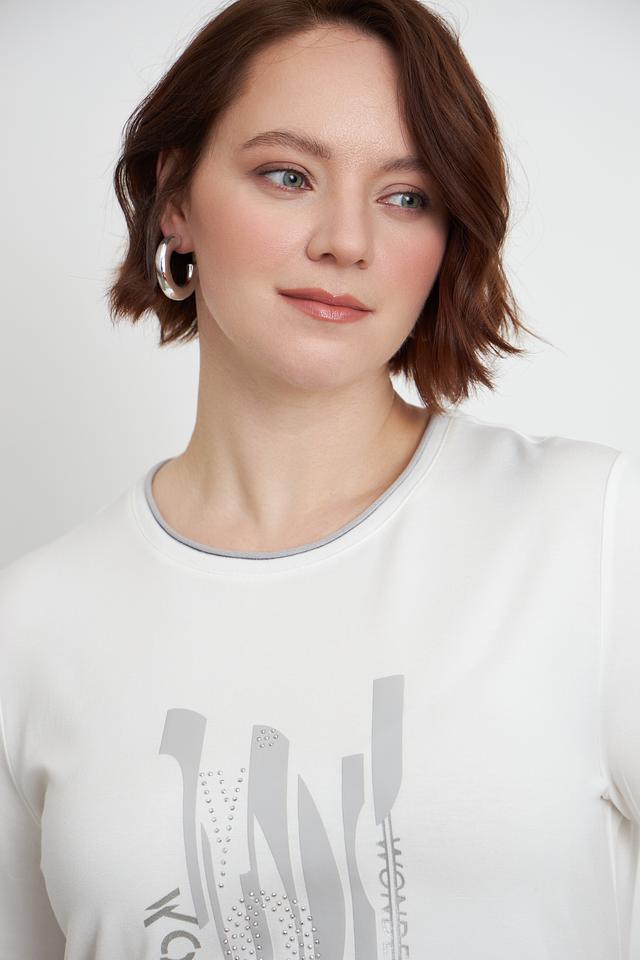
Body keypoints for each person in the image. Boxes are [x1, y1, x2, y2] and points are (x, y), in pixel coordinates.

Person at [1, 1, 639, 958]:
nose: (347, 240)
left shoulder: (593, 536)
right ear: (175, 198)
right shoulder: (30, 629)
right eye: (288, 175)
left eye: (406, 196)